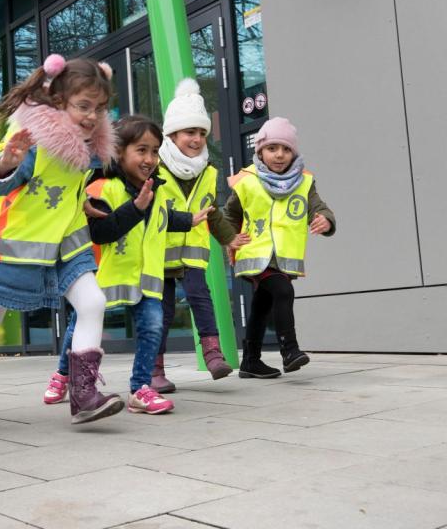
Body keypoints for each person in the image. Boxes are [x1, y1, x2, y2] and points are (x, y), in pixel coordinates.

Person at [0, 54, 125, 427]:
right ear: (59, 102)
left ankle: (84, 396)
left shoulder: (89, 148)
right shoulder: (32, 140)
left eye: (99, 107)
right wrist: (6, 161)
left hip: (67, 243)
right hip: (17, 248)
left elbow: (63, 188)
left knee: (93, 302)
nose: (92, 115)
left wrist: (83, 203)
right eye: (83, 106)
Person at [43, 116, 210, 415]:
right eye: (142, 150)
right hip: (109, 276)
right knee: (80, 325)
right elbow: (102, 232)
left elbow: (160, 218)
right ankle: (63, 374)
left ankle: (140, 389)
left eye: (155, 151)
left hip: (147, 278)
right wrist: (136, 208)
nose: (149, 159)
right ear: (119, 151)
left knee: (152, 327)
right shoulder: (103, 188)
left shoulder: (154, 188)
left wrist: (188, 220)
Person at [151, 79, 246, 393]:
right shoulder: (155, 168)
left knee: (200, 297)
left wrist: (228, 238)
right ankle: (155, 368)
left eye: (202, 133)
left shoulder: (208, 171)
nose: (196, 139)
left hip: (192, 251)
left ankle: (212, 353)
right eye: (190, 132)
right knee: (161, 311)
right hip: (159, 252)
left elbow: (212, 211)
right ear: (172, 134)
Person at [223, 116, 336, 378]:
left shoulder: (304, 181)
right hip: (254, 252)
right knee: (283, 291)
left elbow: (319, 208)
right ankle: (290, 351)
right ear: (260, 151)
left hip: (283, 257)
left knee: (262, 305)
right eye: (272, 148)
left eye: (286, 149)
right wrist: (229, 239)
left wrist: (326, 221)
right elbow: (229, 216)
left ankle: (250, 361)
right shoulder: (247, 180)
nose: (280, 155)